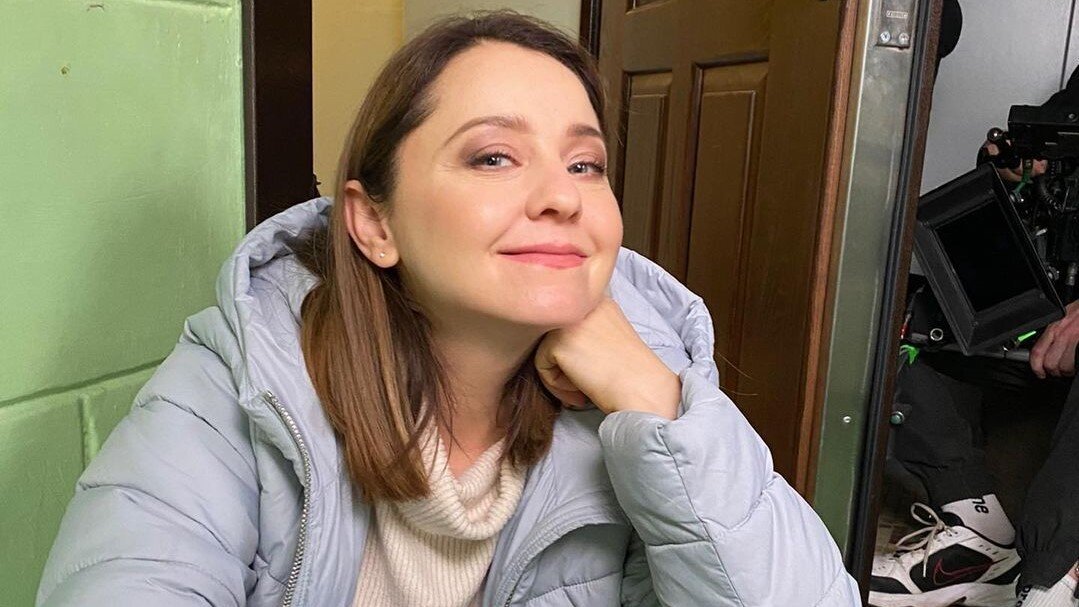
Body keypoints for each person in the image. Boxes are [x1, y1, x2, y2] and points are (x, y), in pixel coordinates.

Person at [35, 13, 859, 607]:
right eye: (493, 156)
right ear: (374, 223)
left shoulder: (646, 378)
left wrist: (653, 400)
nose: (561, 197)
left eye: (584, 163)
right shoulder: (244, 376)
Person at [870, 65, 1079, 607]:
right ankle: (979, 534)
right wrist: (1009, 169)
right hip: (1049, 293)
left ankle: (1052, 579)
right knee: (899, 318)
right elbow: (1043, 145)